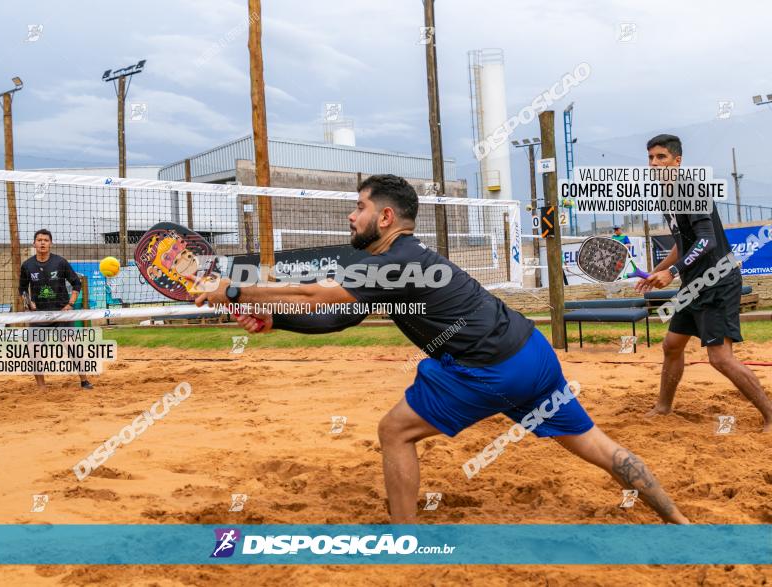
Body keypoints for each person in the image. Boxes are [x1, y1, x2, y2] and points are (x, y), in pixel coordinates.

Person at [192, 174, 689, 524]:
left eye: (359, 207)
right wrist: (276, 319)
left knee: (394, 432)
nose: (350, 216)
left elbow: (317, 293)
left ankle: (403, 541)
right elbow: (338, 316)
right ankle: (678, 520)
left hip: (487, 370)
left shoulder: (393, 259)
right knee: (598, 446)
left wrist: (234, 289)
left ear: (385, 217)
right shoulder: (399, 259)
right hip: (533, 355)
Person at [637, 134, 772, 432]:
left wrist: (671, 274)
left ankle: (770, 415)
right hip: (693, 286)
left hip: (717, 282)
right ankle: (663, 407)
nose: (654, 163)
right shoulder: (667, 196)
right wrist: (654, 271)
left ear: (677, 160)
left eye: (661, 157)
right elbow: (682, 244)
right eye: (650, 158)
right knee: (672, 345)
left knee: (720, 358)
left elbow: (707, 241)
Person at [19, 229, 93, 390]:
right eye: (39, 240)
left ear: (50, 243)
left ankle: (84, 380)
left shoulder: (60, 262)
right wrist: (28, 303)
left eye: (46, 240)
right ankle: (41, 386)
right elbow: (22, 290)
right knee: (33, 349)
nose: (42, 242)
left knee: (72, 346)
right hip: (39, 316)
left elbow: (76, 284)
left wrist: (70, 304)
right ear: (34, 243)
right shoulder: (27, 265)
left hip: (61, 313)